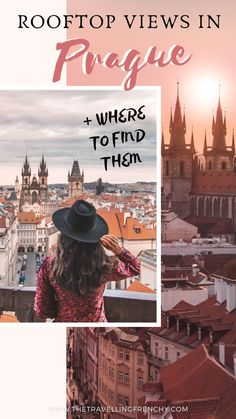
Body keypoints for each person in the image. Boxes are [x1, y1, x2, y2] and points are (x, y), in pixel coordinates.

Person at [34, 199, 140, 322]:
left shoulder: (50, 265)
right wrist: (118, 250)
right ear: (94, 238)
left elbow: (43, 309)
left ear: (63, 236)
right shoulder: (105, 266)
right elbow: (135, 268)